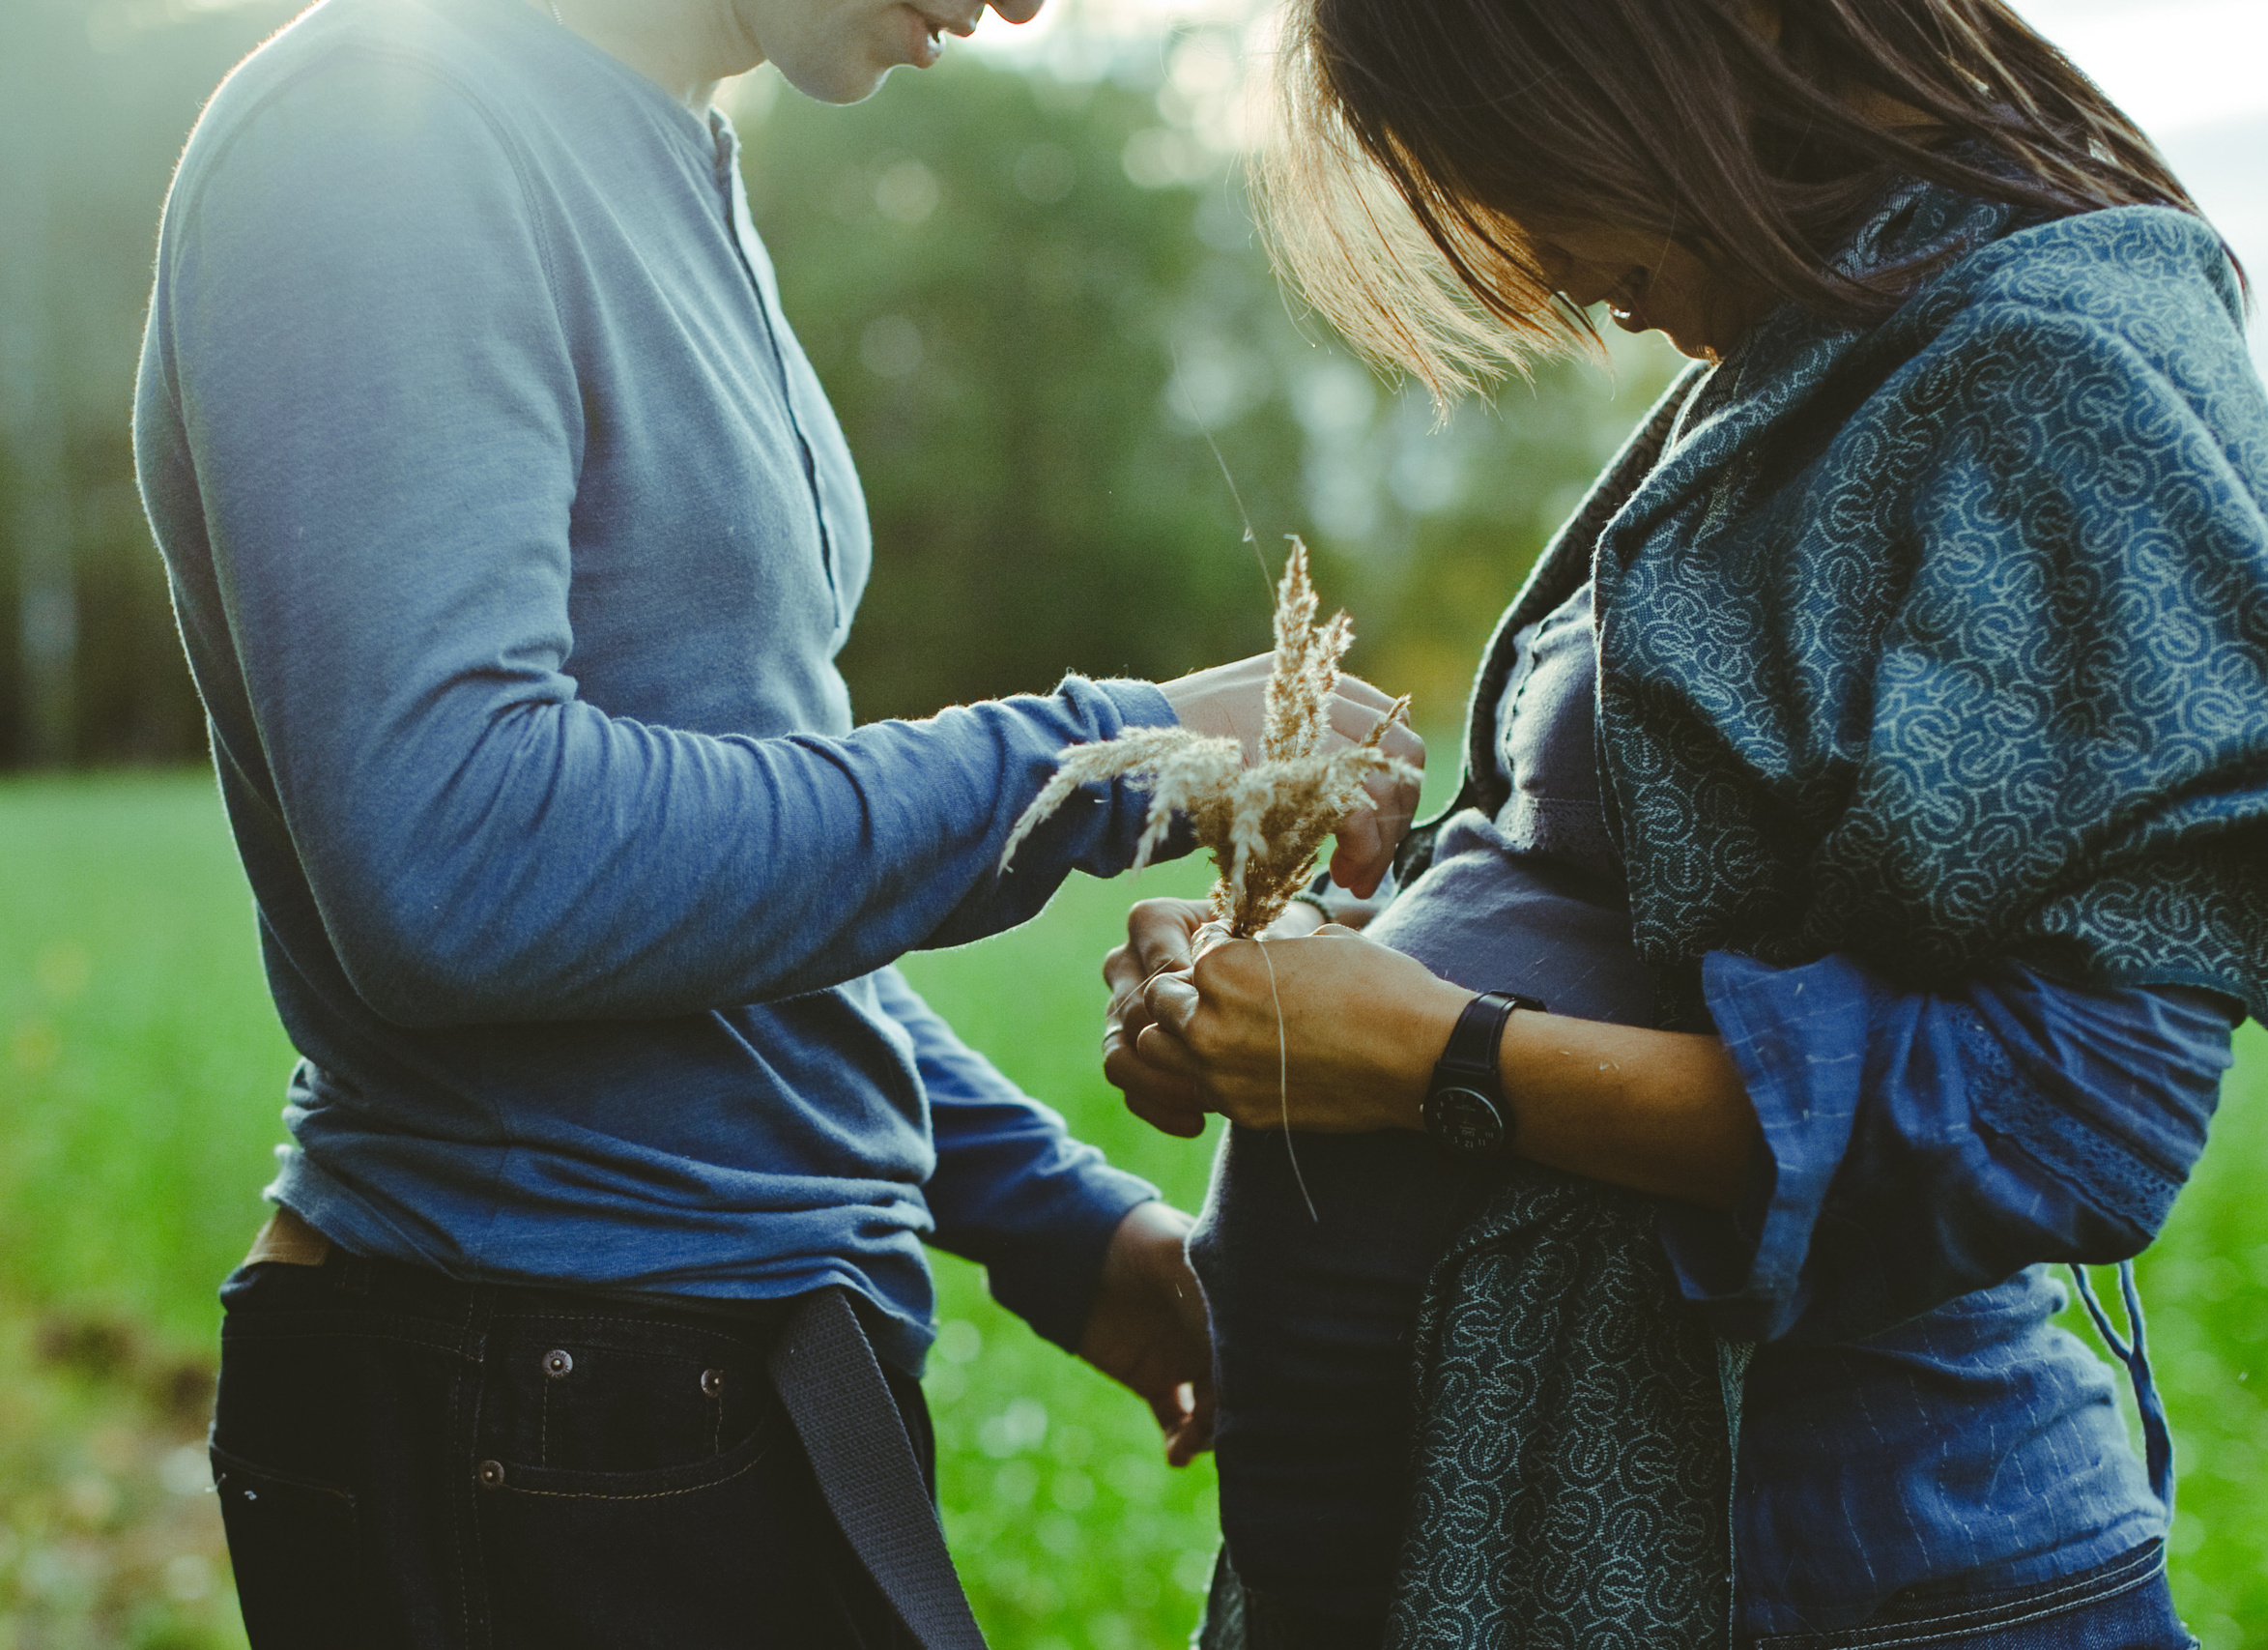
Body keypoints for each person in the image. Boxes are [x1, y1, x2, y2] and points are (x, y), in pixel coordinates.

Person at [1102, 1, 2268, 1646]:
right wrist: (1311, 997)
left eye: (1514, 164)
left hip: (1850, 1574)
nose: (1543, 266)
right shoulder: (1822, 344)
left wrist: (1440, 1058)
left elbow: (2075, 1112)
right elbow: (1656, 919)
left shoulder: (2046, 367)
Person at [130, 0, 1421, 1639]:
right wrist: (1119, 756)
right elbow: (458, 858)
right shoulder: (385, 135)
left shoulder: (671, 149)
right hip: (531, 1398)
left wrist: (1066, 1227)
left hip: (710, 1373)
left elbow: (704, 915)